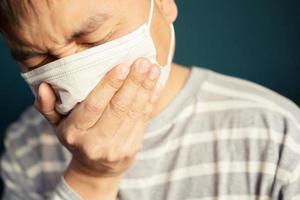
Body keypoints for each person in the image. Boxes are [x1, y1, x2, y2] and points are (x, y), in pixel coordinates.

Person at [0, 0, 299, 199]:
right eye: (37, 59)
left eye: (95, 37)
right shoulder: (24, 145)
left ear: (163, 4)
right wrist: (91, 178)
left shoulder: (277, 135)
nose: (73, 74)